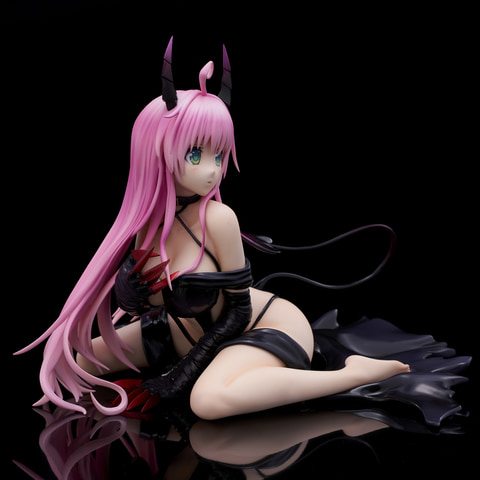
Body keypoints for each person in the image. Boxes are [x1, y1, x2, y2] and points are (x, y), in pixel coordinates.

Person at [15, 38, 469, 425]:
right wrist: (129, 295)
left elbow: (237, 312)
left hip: (263, 325)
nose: (213, 170)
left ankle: (349, 375)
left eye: (219, 155)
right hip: (187, 332)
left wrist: (184, 373)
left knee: (208, 401)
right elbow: (148, 304)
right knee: (79, 360)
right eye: (196, 155)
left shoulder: (218, 218)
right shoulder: (147, 225)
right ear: (155, 151)